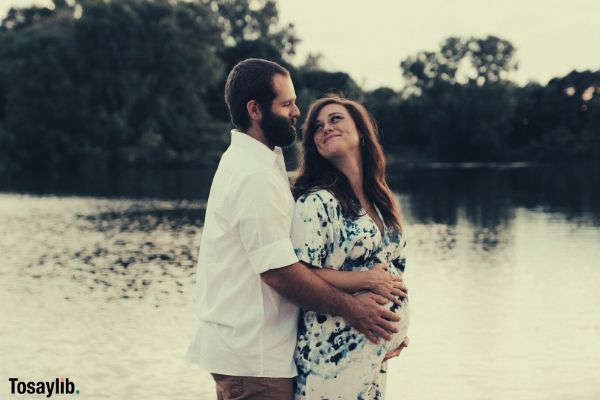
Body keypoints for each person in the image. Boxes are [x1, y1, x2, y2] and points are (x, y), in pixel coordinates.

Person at [185, 59, 407, 400]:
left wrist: (391, 326)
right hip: (254, 358)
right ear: (255, 110)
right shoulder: (254, 175)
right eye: (287, 103)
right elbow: (281, 273)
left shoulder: (260, 165)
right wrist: (357, 311)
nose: (296, 112)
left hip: (259, 356)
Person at [290, 95, 410, 400]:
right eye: (316, 127)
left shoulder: (382, 201)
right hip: (331, 355)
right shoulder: (316, 202)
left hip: (373, 355)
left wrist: (396, 332)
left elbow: (395, 271)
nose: (325, 128)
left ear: (361, 130)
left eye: (335, 119)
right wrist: (365, 280)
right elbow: (300, 273)